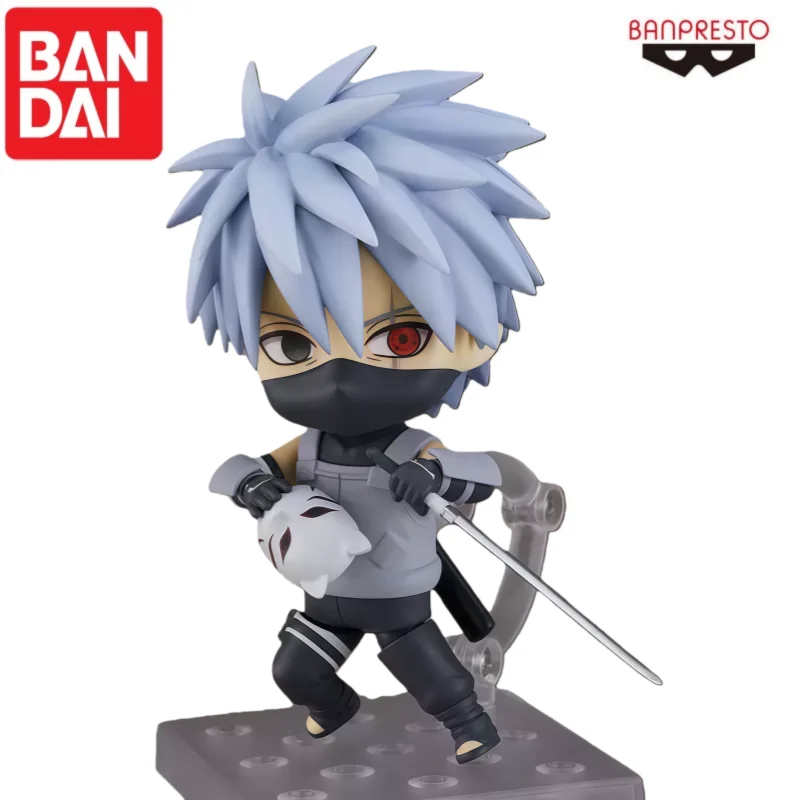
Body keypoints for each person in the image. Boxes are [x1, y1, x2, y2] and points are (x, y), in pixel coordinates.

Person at [168, 45, 548, 763]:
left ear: (474, 335)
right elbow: (235, 468)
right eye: (291, 344)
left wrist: (434, 476)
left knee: (439, 685)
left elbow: (485, 473)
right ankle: (335, 708)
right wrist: (250, 485)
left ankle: (470, 728)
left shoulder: (414, 450)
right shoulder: (308, 449)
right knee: (295, 672)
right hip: (326, 596)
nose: (340, 375)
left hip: (399, 602)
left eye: (399, 338)